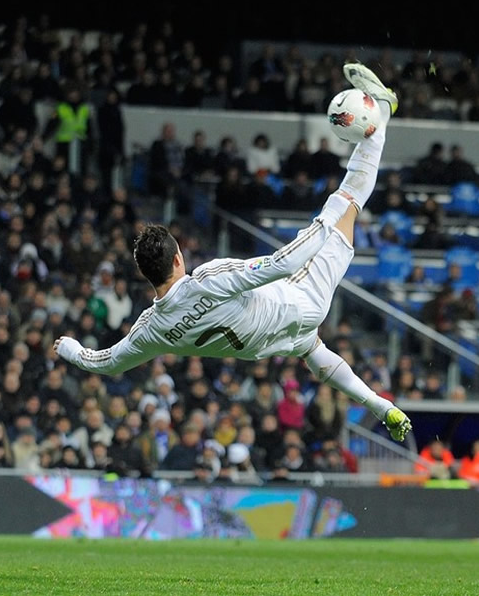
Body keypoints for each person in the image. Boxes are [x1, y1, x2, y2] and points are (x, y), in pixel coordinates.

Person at [54, 63, 411, 442]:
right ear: (178, 259)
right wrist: (325, 217)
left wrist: (70, 349)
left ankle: (379, 404)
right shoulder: (207, 280)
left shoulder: (151, 330)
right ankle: (382, 111)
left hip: (278, 342)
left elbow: (105, 363)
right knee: (348, 199)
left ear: (146, 273)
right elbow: (283, 264)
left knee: (314, 352)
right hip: (300, 299)